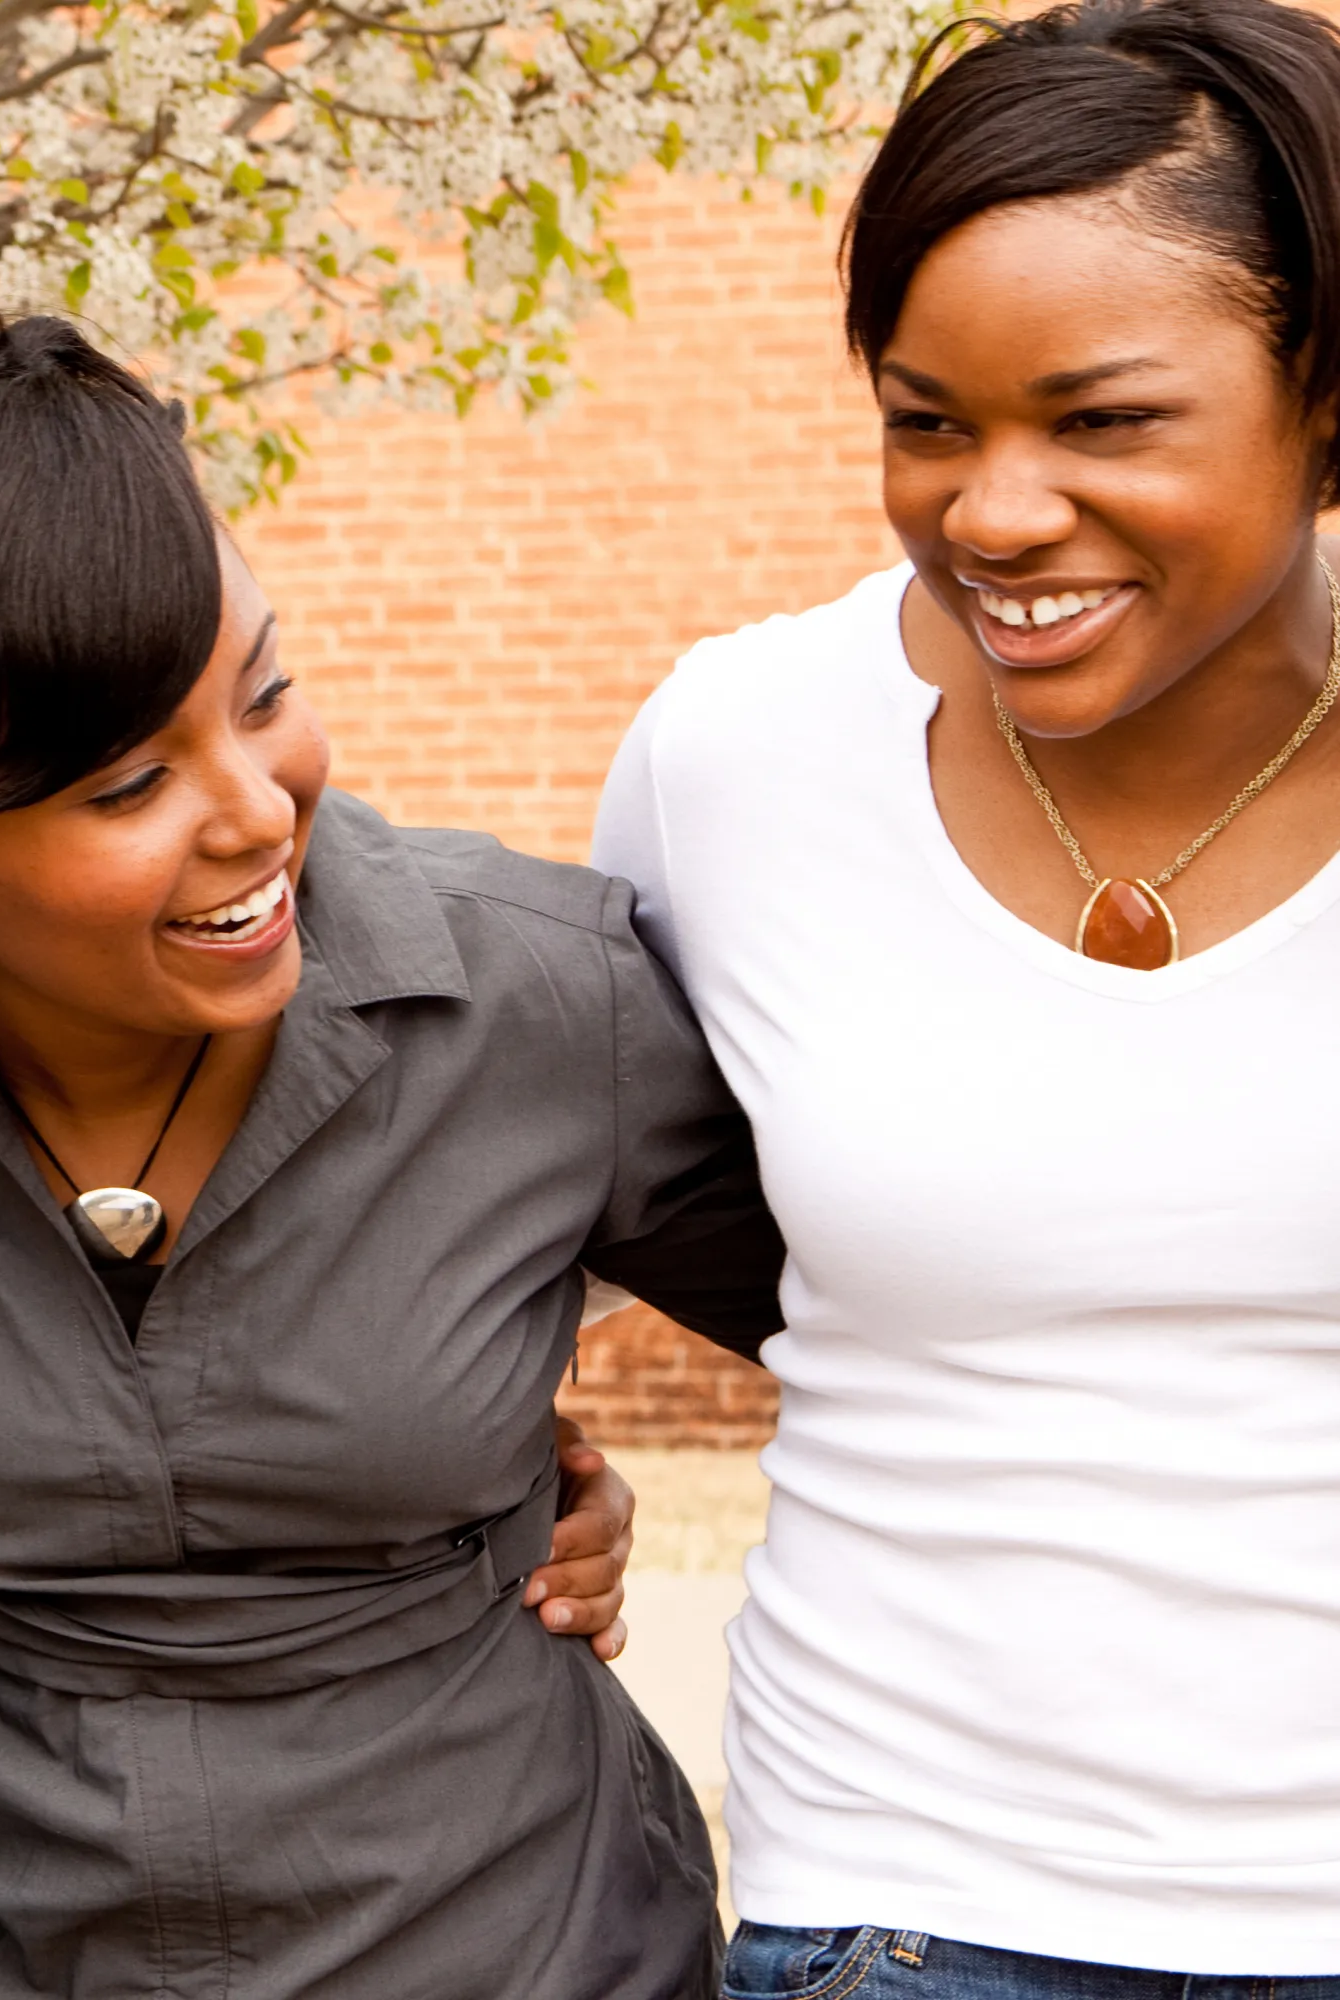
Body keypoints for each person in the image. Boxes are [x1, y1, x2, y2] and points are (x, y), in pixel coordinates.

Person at [0, 304, 785, 1998]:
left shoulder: (544, 998)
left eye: (265, 694)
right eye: (128, 780)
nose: (254, 808)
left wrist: (500, 1448)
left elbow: (929, 1353)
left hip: (522, 1952)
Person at [594, 1, 1340, 1992]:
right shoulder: (741, 755)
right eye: (929, 421)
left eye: (1102, 422)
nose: (994, 513)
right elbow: (560, 1169)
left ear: (1327, 395)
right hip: (912, 1915)